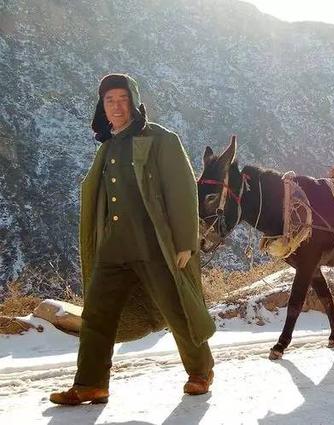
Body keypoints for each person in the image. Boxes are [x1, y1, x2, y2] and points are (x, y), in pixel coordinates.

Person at [50, 74, 215, 405]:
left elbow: (182, 191)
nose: (116, 106)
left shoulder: (162, 140)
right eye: (109, 100)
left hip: (153, 244)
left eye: (122, 99)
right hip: (113, 249)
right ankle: (91, 384)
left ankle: (200, 370)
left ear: (134, 102)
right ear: (103, 107)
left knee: (176, 307)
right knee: (96, 315)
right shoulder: (108, 147)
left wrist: (184, 242)